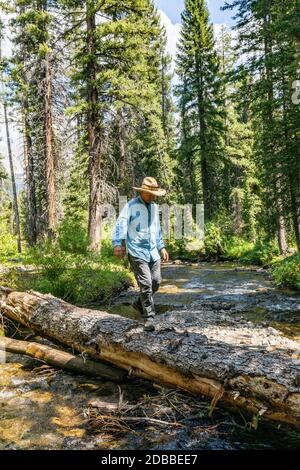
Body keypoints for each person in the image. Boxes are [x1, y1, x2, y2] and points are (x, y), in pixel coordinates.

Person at [112, 177, 169, 331]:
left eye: (154, 193)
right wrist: (117, 243)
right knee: (146, 284)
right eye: (150, 193)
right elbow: (120, 224)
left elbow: (156, 229)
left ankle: (138, 304)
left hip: (152, 251)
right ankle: (149, 317)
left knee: (156, 282)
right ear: (143, 192)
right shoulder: (130, 206)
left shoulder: (155, 208)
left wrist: (161, 247)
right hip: (136, 251)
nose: (153, 196)